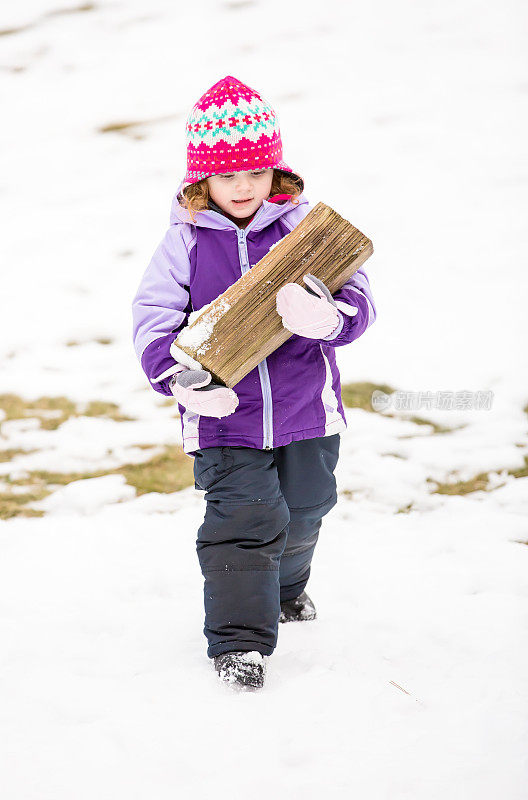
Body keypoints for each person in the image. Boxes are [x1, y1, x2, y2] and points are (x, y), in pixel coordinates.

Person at [132, 75, 377, 691]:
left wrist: (332, 317)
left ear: (276, 171)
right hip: (223, 416)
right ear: (202, 180)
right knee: (244, 517)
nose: (242, 187)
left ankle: (289, 586)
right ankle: (239, 642)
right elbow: (152, 317)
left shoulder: (303, 230)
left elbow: (359, 299)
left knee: (305, 507)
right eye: (227, 175)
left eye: (255, 173)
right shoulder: (183, 243)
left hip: (305, 409)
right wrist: (176, 376)